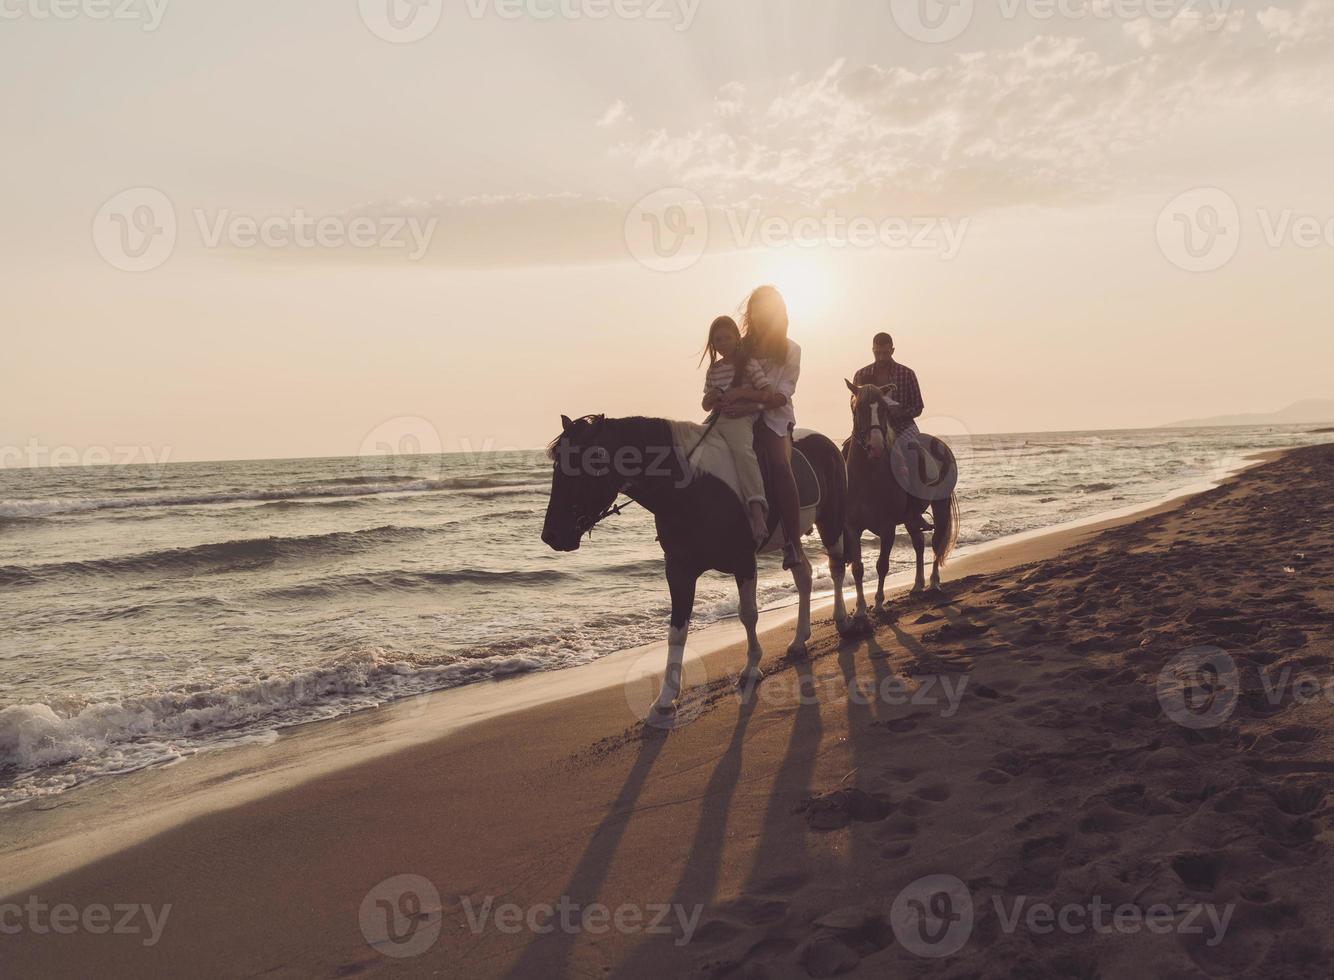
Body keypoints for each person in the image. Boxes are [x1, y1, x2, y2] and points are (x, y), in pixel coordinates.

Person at [724, 285, 805, 570]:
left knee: (780, 465)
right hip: (741, 414)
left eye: (765, 309)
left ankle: (794, 543)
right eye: (755, 309)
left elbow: (783, 394)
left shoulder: (791, 349)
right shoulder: (742, 347)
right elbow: (733, 381)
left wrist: (752, 406)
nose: (759, 314)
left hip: (776, 417)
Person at [700, 315, 771, 546]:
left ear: (736, 338)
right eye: (717, 340)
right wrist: (712, 399)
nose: (722, 344)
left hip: (742, 417)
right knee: (692, 449)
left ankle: (757, 510)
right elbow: (705, 404)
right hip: (717, 416)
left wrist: (740, 396)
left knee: (742, 452)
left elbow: (767, 392)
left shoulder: (748, 363)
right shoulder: (714, 369)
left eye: (727, 338)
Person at [853, 332, 932, 533]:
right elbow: (854, 406)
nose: (881, 357)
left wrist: (899, 411)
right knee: (847, 454)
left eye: (885, 353)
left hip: (902, 426)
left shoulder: (907, 374)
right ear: (872, 350)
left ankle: (915, 510)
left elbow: (918, 406)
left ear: (892, 350)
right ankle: (847, 510)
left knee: (916, 455)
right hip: (871, 428)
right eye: (877, 353)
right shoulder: (861, 375)